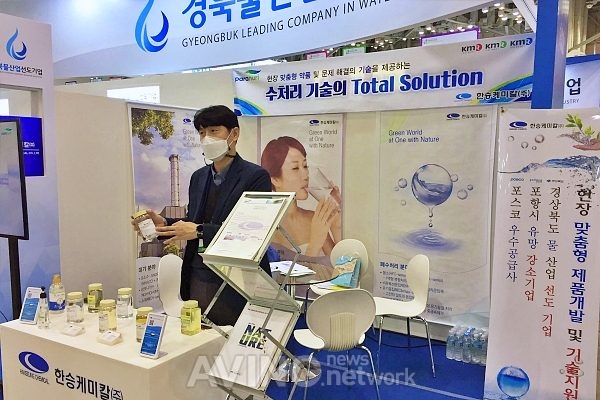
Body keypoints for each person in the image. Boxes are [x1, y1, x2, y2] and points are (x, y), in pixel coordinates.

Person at [137, 105, 272, 326]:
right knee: (199, 336)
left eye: (214, 131)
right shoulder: (198, 177)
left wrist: (200, 231)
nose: (207, 138)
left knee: (230, 337)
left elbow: (254, 232)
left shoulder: (255, 177)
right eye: (202, 133)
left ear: (234, 133)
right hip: (197, 273)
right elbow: (193, 222)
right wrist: (163, 223)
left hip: (235, 280)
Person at [261, 136, 341, 260]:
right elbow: (278, 273)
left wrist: (336, 225)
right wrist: (314, 244)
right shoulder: (267, 226)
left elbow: (338, 265)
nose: (305, 175)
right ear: (275, 179)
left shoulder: (313, 219)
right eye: (295, 168)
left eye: (305, 166)